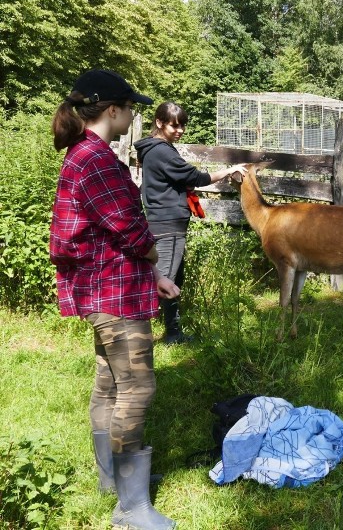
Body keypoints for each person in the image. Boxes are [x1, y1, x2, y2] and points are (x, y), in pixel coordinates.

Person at [51, 70, 179, 529]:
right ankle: (131, 507)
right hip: (116, 295)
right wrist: (155, 260)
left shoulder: (82, 155)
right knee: (138, 389)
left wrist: (156, 277)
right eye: (130, 107)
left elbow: (106, 231)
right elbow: (129, 228)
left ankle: (114, 481)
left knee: (109, 383)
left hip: (104, 288)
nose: (133, 115)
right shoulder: (98, 160)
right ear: (112, 110)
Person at [134, 102, 246, 343]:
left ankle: (173, 333)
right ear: (159, 123)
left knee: (172, 279)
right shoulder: (161, 151)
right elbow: (195, 177)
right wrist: (228, 171)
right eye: (174, 125)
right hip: (167, 224)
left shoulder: (156, 149)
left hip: (163, 222)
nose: (180, 130)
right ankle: (136, 333)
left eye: (182, 125)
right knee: (164, 280)